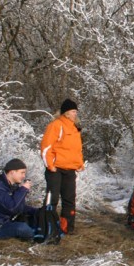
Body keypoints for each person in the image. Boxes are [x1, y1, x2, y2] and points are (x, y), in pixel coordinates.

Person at [40, 99, 84, 234]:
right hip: (56, 169)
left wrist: (79, 164)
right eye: (73, 111)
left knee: (69, 200)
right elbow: (46, 146)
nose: (75, 113)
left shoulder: (75, 128)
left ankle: (67, 228)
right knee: (51, 200)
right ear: (65, 112)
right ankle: (48, 227)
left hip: (70, 169)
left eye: (76, 111)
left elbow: (76, 150)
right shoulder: (56, 125)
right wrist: (50, 165)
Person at [0, 158, 39, 239]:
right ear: (12, 172)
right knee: (22, 228)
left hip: (8, 222)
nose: (24, 176)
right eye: (22, 173)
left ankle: (38, 232)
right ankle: (36, 238)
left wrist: (37, 211)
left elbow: (19, 207)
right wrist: (23, 190)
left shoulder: (11, 186)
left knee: (37, 216)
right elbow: (12, 207)